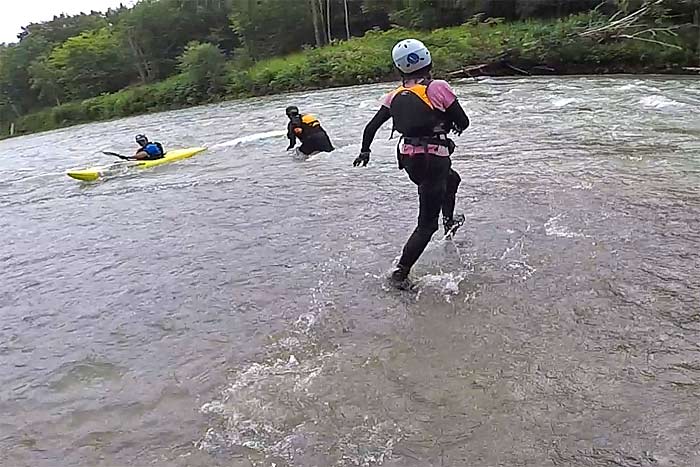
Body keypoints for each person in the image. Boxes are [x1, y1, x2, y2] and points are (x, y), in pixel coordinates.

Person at [353, 38, 470, 290]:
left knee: (453, 180)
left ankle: (449, 222)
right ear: (428, 59)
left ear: (399, 68)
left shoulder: (392, 96)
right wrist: (451, 125)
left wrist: (365, 151)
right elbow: (463, 120)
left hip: (410, 160)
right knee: (426, 225)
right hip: (433, 159)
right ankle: (399, 274)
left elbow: (371, 127)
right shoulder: (437, 87)